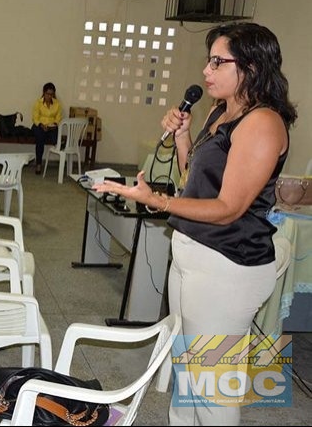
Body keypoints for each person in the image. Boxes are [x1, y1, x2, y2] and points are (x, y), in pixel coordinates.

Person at [93, 23, 296, 426]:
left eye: (218, 62)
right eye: (209, 60)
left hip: (228, 266)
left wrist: (156, 200)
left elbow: (228, 207)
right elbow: (195, 182)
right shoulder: (222, 112)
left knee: (212, 388)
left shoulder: (263, 123)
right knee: (188, 371)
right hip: (194, 256)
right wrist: (185, 138)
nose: (206, 71)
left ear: (252, 67)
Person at [31, 82, 62, 175]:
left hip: (51, 127)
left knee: (55, 137)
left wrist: (55, 124)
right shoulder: (38, 102)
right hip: (39, 126)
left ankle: (60, 147)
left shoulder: (57, 104)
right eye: (47, 94)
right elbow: (35, 118)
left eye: (51, 94)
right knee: (40, 139)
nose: (49, 96)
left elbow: (58, 117)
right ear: (44, 93)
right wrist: (41, 125)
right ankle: (39, 164)